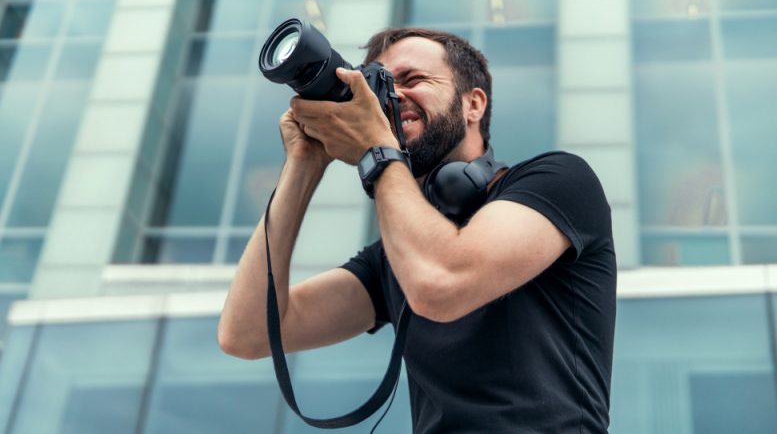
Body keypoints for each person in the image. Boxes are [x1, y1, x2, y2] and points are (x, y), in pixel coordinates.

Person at [218, 27, 617, 433]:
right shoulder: (395, 258)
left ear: (473, 104)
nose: (392, 97)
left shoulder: (558, 181)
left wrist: (375, 149)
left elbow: (441, 282)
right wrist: (304, 164)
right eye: (381, 87)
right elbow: (247, 332)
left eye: (412, 80)